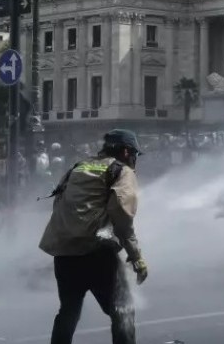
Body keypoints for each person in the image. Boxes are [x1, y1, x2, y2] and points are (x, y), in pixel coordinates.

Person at [39, 129, 148, 344]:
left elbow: (59, 202)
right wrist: (136, 256)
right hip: (97, 254)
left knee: (68, 311)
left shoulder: (78, 167)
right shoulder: (121, 171)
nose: (135, 160)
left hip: (65, 254)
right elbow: (122, 216)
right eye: (134, 154)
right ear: (126, 152)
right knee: (122, 311)